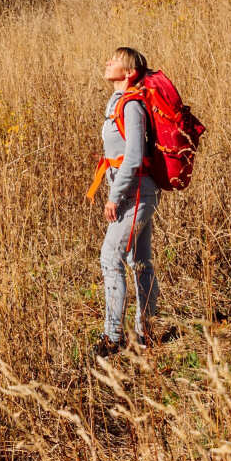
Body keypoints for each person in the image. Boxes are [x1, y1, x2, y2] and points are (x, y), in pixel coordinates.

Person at [94, 45, 160, 358]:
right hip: (137, 190)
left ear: (130, 72)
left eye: (116, 60)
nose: (108, 62)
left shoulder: (132, 105)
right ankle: (145, 332)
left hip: (135, 192)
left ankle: (113, 337)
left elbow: (133, 157)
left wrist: (114, 196)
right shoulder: (119, 101)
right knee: (140, 261)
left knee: (111, 257)